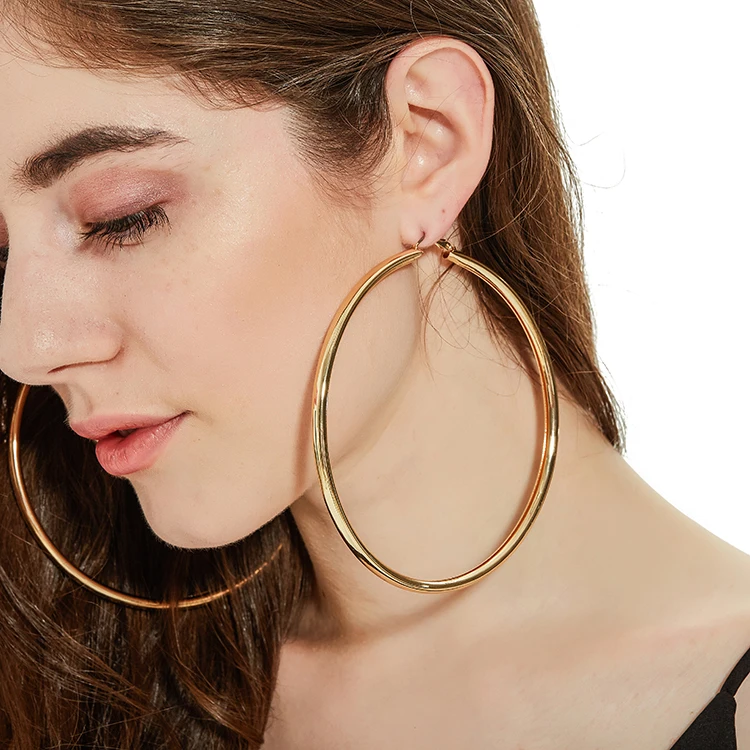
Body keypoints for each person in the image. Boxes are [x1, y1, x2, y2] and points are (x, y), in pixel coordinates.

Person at [0, 1, 748, 748]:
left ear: (426, 140)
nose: (25, 348)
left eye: (121, 217)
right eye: (1, 255)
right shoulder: (58, 676)